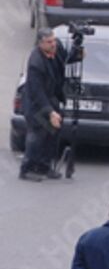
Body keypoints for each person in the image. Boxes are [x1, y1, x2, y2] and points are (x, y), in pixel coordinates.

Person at [19, 27, 68, 181]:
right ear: (41, 44)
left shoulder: (57, 48)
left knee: (52, 134)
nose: (53, 44)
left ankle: (44, 166)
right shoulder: (36, 62)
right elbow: (37, 92)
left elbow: (67, 58)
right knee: (37, 136)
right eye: (49, 42)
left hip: (52, 99)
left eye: (54, 40)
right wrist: (51, 113)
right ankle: (26, 169)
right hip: (36, 105)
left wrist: (78, 53)